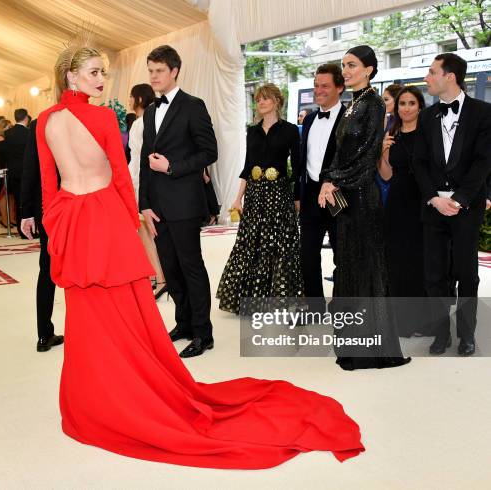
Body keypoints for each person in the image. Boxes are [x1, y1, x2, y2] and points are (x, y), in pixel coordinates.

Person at [36, 39, 363, 469]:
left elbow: (49, 187)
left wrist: (57, 233)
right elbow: (118, 178)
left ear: (173, 72)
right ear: (72, 75)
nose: (102, 80)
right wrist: (137, 229)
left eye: (103, 72)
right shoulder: (101, 117)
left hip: (74, 221)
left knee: (91, 314)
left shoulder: (47, 120)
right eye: (95, 73)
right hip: (105, 220)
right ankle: (128, 391)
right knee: (123, 311)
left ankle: (95, 398)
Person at [318, 45, 411, 371]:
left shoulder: (373, 103)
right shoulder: (352, 103)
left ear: (370, 69)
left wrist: (334, 180)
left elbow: (368, 155)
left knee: (367, 269)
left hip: (363, 197)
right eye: (344, 65)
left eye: (353, 65)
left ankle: (372, 350)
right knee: (348, 266)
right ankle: (352, 344)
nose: (347, 70)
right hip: (347, 197)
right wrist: (328, 178)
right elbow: (340, 151)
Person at [139, 45, 217, 358]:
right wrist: (144, 203)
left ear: (174, 71)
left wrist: (171, 167)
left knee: (191, 266)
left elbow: (209, 152)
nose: (154, 76)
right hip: (156, 206)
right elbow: (146, 160)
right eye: (150, 71)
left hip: (184, 202)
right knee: (170, 269)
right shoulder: (149, 111)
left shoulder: (193, 106)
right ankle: (183, 322)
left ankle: (203, 333)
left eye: (159, 70)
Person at [412, 53, 491, 356]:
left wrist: (459, 199)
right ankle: (440, 333)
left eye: (432, 72)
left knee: (467, 274)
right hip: (433, 208)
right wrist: (433, 198)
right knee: (434, 276)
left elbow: (484, 162)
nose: (427, 78)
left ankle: (467, 335)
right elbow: (418, 162)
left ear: (450, 76)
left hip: (465, 208)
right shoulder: (426, 116)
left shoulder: (483, 113)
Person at [216, 83, 302, 315]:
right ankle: (252, 300)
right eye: (258, 99)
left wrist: (297, 197)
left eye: (265, 98)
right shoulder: (252, 131)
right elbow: (247, 167)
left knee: (277, 244)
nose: (260, 102)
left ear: (276, 101)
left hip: (278, 193)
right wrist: (237, 198)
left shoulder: (291, 130)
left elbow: (298, 167)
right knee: (251, 244)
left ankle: (278, 300)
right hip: (254, 194)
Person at [378, 86, 432, 337]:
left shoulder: (429, 133)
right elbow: (386, 175)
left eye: (411, 103)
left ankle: (424, 321)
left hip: (423, 200)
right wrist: (383, 152)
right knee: (397, 261)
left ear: (420, 106)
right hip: (398, 201)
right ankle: (401, 321)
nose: (406, 108)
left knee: (420, 261)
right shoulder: (392, 133)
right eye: (402, 104)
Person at [294, 64, 346, 316]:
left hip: (338, 194)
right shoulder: (311, 117)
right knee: (307, 254)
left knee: (341, 254)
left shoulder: (350, 118)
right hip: (311, 194)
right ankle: (314, 307)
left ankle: (339, 305)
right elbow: (303, 160)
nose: (319, 90)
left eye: (325, 85)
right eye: (316, 85)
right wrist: (298, 195)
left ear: (340, 87)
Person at [20, 118, 63, 352]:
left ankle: (44, 335)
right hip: (76, 203)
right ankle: (86, 331)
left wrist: (27, 211)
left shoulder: (40, 122)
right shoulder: (88, 117)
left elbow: (30, 167)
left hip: (48, 205)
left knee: (47, 268)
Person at [127, 83, 167, 300]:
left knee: (145, 231)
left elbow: (137, 159)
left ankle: (159, 278)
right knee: (150, 230)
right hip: (150, 180)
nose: (129, 101)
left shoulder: (138, 124)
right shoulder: (153, 120)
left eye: (131, 97)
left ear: (139, 99)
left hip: (138, 180)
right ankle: (156, 275)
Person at [3, 108, 30, 237]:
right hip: (27, 171)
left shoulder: (8, 133)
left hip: (13, 171)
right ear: (26, 118)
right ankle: (29, 230)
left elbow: (6, 154)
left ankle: (21, 229)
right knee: (27, 200)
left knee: (18, 201)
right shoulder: (29, 133)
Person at [376, 83, 403, 206]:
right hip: (381, 171)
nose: (383, 103)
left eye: (386, 99)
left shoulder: (401, 123)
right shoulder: (388, 120)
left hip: (392, 175)